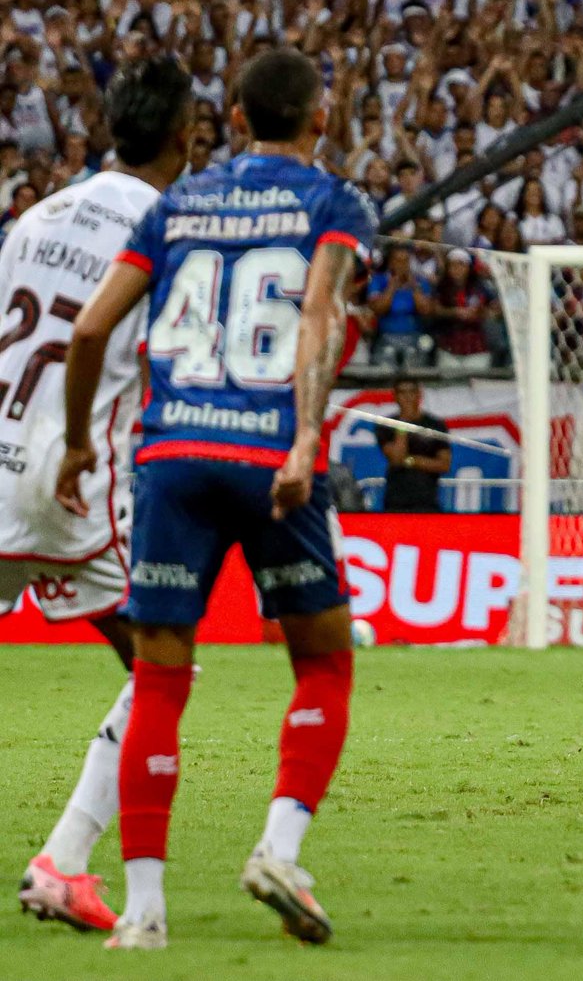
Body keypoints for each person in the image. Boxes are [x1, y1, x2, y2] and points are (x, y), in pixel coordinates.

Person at [57, 48, 379, 948]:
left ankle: (144, 913)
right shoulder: (332, 202)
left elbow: (89, 329)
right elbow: (317, 316)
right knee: (322, 664)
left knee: (159, 680)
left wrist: (83, 440)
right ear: (321, 120)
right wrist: (308, 438)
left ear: (232, 121)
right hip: (268, 455)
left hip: (173, 456)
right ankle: (278, 847)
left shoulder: (179, 202)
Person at [10, 59, 193, 934]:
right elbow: (173, 356)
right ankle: (64, 860)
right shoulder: (166, 226)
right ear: (186, 138)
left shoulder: (35, 213)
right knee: (162, 666)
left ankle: (64, 863)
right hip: (68, 475)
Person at [373, 377, 451, 511]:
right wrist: (402, 424)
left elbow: (444, 464)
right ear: (395, 397)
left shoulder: (435, 425)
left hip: (427, 500)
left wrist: (410, 460)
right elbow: (397, 458)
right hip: (396, 500)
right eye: (402, 393)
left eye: (412, 392)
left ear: (419, 394)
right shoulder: (386, 425)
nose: (407, 397)